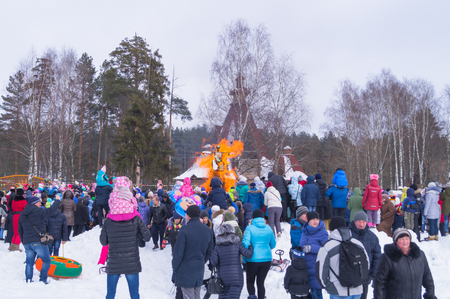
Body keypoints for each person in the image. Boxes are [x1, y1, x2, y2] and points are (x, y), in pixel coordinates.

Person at [100, 176, 151, 299]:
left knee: (110, 294)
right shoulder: (136, 218)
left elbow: (103, 241)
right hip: (131, 263)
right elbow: (147, 237)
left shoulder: (109, 219)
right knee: (134, 294)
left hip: (113, 263)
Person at [316, 216, 369, 299]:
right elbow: (367, 264)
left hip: (337, 290)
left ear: (331, 230)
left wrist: (326, 285)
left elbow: (321, 268)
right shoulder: (358, 244)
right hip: (357, 290)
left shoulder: (327, 246)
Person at [374, 228, 435, 299]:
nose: (405, 241)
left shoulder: (420, 255)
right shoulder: (387, 257)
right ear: (396, 241)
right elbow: (379, 282)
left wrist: (430, 293)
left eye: (406, 238)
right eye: (401, 239)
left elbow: (427, 277)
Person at [172, 205, 214, 299]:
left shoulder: (184, 229)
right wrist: (201, 260)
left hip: (185, 269)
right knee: (196, 295)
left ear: (189, 215)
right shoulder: (208, 230)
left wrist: (175, 267)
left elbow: (178, 252)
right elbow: (210, 250)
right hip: (199, 268)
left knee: (189, 296)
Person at [18, 195, 62, 283]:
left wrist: (24, 241)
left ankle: (29, 279)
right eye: (38, 202)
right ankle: (43, 279)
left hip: (27, 242)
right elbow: (51, 210)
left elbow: (20, 229)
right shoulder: (38, 211)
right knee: (46, 260)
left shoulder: (22, 214)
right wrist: (57, 200)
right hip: (38, 241)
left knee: (29, 262)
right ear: (34, 203)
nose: (40, 204)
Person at [210, 223, 253, 299]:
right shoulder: (237, 244)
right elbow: (248, 254)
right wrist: (251, 247)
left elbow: (214, 262)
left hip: (222, 278)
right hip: (236, 277)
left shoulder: (217, 247)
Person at [242, 209, 276, 299]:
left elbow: (245, 243)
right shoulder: (268, 228)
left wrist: (246, 253)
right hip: (267, 259)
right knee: (261, 283)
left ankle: (252, 296)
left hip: (252, 259)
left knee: (250, 281)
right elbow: (273, 244)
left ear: (253, 218)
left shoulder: (249, 228)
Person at [349, 212, 382, 299]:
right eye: (359, 221)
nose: (361, 224)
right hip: (349, 276)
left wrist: (374, 274)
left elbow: (377, 257)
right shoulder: (347, 235)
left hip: (365, 275)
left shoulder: (372, 237)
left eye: (363, 222)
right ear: (354, 221)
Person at [299, 211, 329, 299]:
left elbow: (326, 249)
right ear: (308, 221)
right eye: (313, 219)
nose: (315, 221)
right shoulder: (304, 231)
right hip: (305, 268)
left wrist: (311, 248)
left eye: (317, 219)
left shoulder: (322, 232)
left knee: (317, 293)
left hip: (316, 268)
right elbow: (301, 245)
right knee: (309, 294)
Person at [11, 187, 27, 251]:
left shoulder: (13, 200)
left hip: (14, 216)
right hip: (21, 216)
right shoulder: (23, 201)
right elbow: (25, 209)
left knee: (15, 232)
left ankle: (12, 246)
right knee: (19, 232)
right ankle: (16, 247)